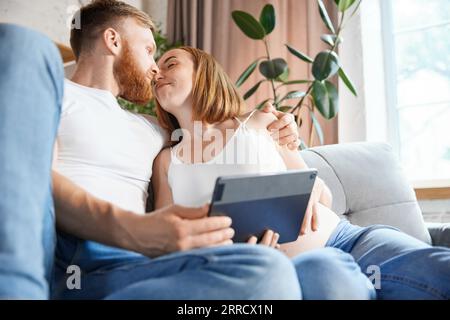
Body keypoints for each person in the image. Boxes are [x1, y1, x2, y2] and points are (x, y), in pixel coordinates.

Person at [0, 0, 304, 300]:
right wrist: (133, 229)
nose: (155, 67)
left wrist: (276, 125)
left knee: (267, 270)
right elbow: (30, 179)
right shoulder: (54, 95)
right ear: (113, 40)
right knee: (26, 46)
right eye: (148, 50)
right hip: (69, 255)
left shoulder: (152, 130)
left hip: (137, 267)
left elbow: (213, 129)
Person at [152, 46, 450, 300]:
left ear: (203, 73)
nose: (158, 72)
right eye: (155, 68)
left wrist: (305, 193)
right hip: (290, 270)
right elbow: (169, 243)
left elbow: (322, 194)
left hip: (349, 240)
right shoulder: (167, 161)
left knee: (439, 270)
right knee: (330, 282)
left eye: (171, 63)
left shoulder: (260, 121)